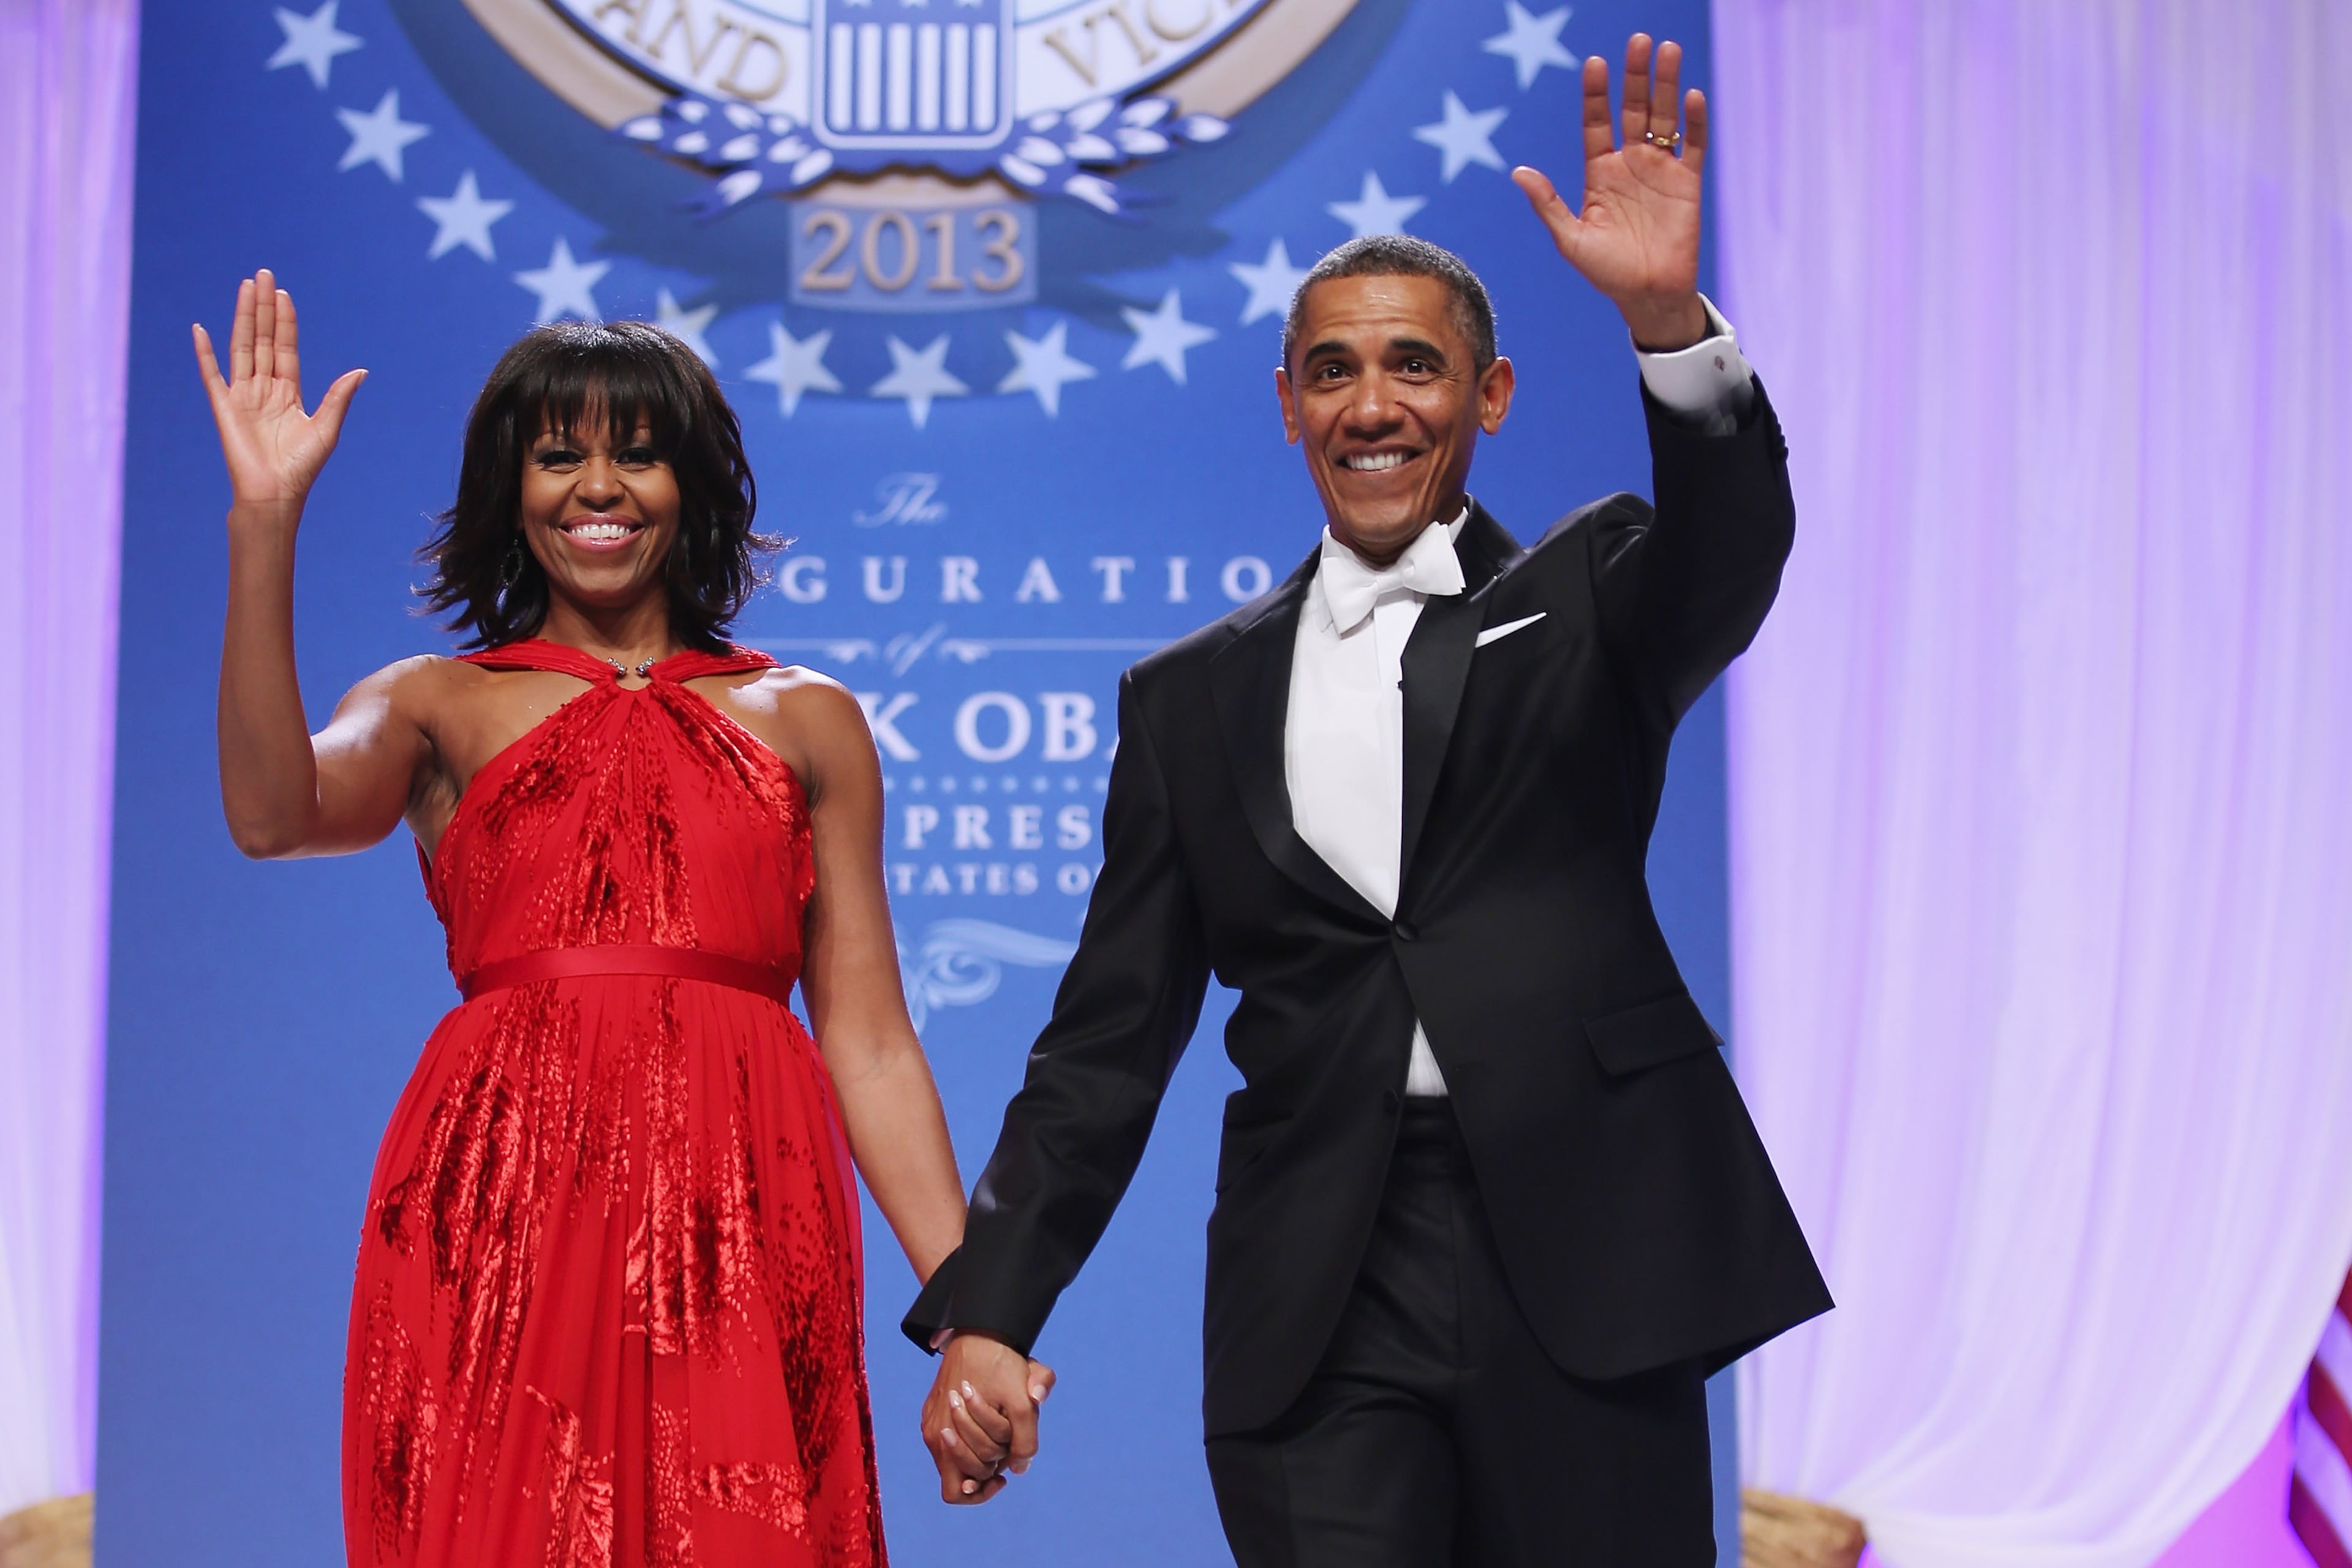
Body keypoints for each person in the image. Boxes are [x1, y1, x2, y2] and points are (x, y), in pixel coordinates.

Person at [902, 34, 1832, 1566]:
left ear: (1493, 392)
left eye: (1414, 363)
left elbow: (1734, 549)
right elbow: (1106, 1041)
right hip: (1318, 1280)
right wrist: (992, 1309)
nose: (1373, 401)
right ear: (1286, 403)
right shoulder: (1187, 699)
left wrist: (1668, 321)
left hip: (1584, 1253)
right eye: (1333, 367)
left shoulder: (1594, 593)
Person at [194, 280, 1014, 1566]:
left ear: (693, 484)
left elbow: (869, 1041)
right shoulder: (436, 702)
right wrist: (265, 522)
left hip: (747, 1210)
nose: (599, 486)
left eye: (637, 452)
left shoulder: (809, 718)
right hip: (499, 1206)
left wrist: (980, 1308)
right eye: (558, 453)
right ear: (509, 491)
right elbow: (269, 809)